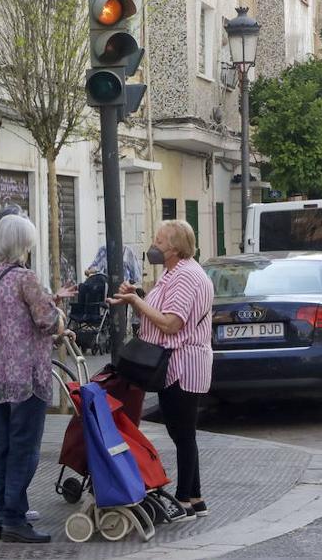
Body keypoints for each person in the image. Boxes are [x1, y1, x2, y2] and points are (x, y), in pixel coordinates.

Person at [0, 214, 77, 543]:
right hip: (26, 376)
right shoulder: (26, 277)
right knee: (26, 448)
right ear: (25, 243)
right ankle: (15, 519)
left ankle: (2, 517)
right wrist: (62, 315)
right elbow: (48, 322)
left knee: (4, 447)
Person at [107, 219, 213, 521]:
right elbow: (163, 306)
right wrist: (137, 293)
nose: (154, 244)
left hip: (182, 364)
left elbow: (170, 323)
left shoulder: (186, 277)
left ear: (176, 248)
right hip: (178, 363)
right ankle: (196, 497)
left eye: (160, 240)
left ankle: (183, 500)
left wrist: (136, 302)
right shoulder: (174, 273)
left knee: (182, 432)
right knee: (182, 431)